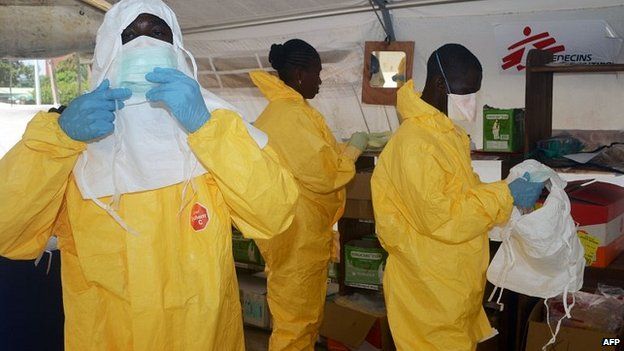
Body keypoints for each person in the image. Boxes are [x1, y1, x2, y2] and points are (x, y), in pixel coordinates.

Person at [0, 0, 299, 350]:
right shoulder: (73, 140)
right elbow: (10, 232)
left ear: (177, 48)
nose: (144, 44)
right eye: (129, 35)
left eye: (158, 33)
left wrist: (206, 129)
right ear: (107, 48)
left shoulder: (216, 128)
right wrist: (59, 140)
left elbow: (275, 213)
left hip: (202, 338)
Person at [371, 43, 544, 351]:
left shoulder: (444, 135)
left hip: (452, 281)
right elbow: (444, 216)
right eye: (467, 92)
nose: (472, 103)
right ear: (440, 85)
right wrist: (505, 194)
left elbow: (466, 192)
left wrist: (507, 192)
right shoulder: (416, 144)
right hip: (427, 288)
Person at [249, 39, 369, 350]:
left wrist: (345, 148)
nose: (320, 80)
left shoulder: (292, 112)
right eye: (316, 73)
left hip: (302, 235)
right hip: (295, 238)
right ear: (300, 75)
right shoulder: (288, 117)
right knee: (295, 327)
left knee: (305, 322)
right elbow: (325, 173)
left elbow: (316, 155)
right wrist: (354, 150)